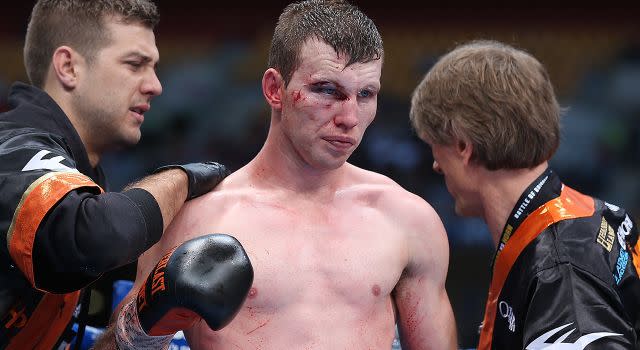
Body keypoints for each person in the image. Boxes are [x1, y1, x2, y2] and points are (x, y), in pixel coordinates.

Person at [96, 0, 458, 349]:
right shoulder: (196, 220)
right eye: (327, 90)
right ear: (274, 89)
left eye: (365, 94)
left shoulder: (408, 220)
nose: (349, 118)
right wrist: (149, 321)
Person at [0, 1, 253, 349]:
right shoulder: (11, 147)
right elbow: (91, 236)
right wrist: (181, 179)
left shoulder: (75, 171)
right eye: (135, 64)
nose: (155, 86)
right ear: (69, 67)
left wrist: (144, 327)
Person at [410, 40, 640, 349]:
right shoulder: (591, 215)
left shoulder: (557, 265)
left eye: (435, 146)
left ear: (463, 146)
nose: (436, 165)